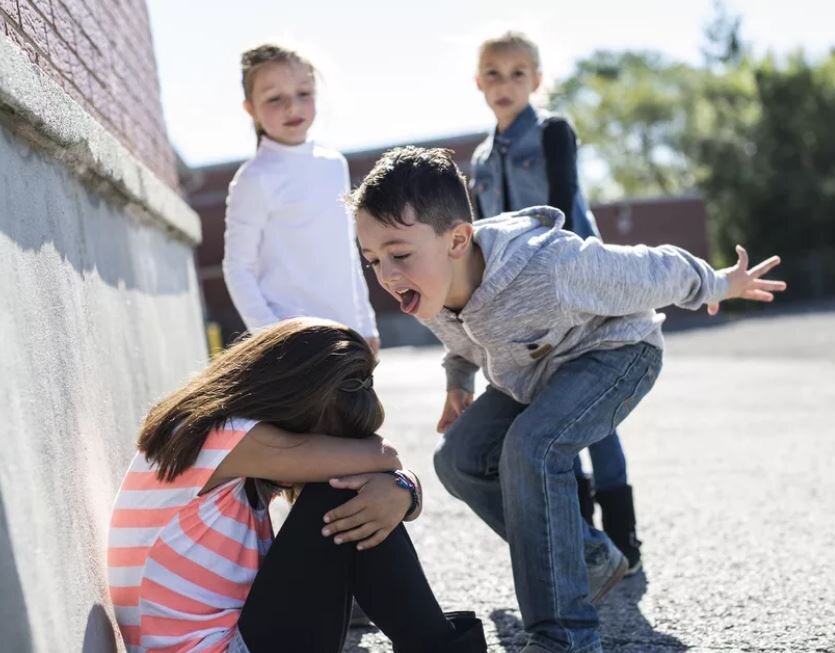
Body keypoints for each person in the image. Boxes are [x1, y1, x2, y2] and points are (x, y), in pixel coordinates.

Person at [349, 146, 785, 653]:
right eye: (372, 260)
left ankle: (566, 636)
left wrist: (718, 283)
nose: (386, 275)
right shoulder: (430, 285)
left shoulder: (549, 266)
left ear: (457, 240)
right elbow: (462, 339)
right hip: (533, 373)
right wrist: (458, 383)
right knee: (457, 459)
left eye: (399, 255)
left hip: (617, 353)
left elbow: (652, 269)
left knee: (531, 448)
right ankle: (587, 557)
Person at [107, 317, 487, 653]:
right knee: (341, 492)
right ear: (292, 400)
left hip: (232, 640)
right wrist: (400, 484)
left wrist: (403, 489)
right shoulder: (221, 436)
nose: (324, 457)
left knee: (352, 493)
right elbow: (384, 456)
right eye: (324, 442)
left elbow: (385, 466)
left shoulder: (214, 437)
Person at [470, 30, 639, 570]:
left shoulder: (552, 132)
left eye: (518, 73)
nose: (505, 84)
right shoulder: (480, 158)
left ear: (537, 80)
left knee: (594, 417)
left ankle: (624, 539)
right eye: (494, 73)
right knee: (553, 416)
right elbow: (482, 235)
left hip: (577, 290)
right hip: (521, 305)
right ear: (478, 82)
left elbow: (564, 205)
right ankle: (588, 545)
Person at [223, 44, 379, 354]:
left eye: (303, 93)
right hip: (295, 345)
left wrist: (366, 324)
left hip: (348, 336)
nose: (292, 107)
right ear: (250, 108)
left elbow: (347, 252)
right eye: (274, 98)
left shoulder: (334, 165)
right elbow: (237, 268)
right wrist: (273, 338)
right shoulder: (255, 178)